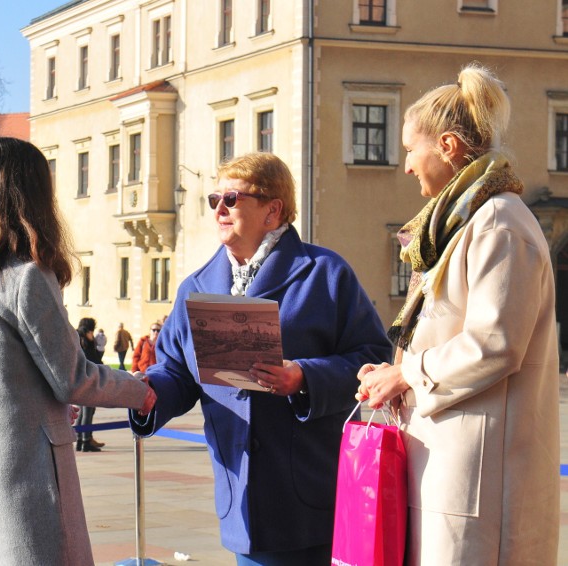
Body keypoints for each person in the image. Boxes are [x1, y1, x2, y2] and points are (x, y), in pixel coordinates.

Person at [129, 152, 391, 565]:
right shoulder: (196, 286)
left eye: (232, 198)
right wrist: (150, 393)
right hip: (241, 494)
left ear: (273, 210)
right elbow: (177, 370)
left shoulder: (325, 273)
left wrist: (303, 377)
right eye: (214, 198)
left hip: (309, 489)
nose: (219, 208)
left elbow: (374, 357)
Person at [356, 63, 560, 565]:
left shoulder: (498, 222)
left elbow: (496, 343)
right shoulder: (463, 222)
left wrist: (406, 373)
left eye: (410, 150)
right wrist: (395, 372)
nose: (405, 166)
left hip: (482, 485)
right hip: (452, 466)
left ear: (447, 147)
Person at [0, 136, 156, 565]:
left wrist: (30, 400)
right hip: (29, 488)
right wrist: (139, 390)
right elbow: (74, 377)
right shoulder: (26, 278)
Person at [75, 318, 104, 452]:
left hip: (80, 382)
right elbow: (94, 361)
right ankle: (86, 441)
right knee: (87, 411)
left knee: (83, 412)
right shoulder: (85, 342)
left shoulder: (76, 339)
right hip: (88, 382)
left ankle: (81, 439)